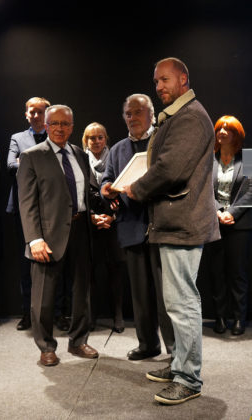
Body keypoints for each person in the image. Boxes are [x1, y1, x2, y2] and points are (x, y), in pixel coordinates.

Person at [122, 58, 220, 405]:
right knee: (177, 301)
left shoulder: (190, 116)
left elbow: (170, 170)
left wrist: (135, 189)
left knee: (183, 303)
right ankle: (180, 363)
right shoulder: (180, 116)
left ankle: (189, 378)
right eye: (156, 81)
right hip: (175, 221)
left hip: (183, 222)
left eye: (164, 80)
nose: (159, 86)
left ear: (183, 79)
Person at [17, 104, 107, 366]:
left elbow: (85, 194)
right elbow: (27, 202)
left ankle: (78, 342)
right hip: (47, 235)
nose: (59, 128)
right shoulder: (32, 156)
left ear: (72, 127)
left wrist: (95, 213)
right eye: (54, 123)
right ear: (46, 125)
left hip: (81, 230)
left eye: (64, 124)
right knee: (43, 297)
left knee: (82, 292)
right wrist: (34, 239)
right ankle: (46, 347)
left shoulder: (80, 154)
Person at [101, 94, 174, 360]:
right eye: (128, 114)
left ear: (151, 115)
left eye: (138, 112)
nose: (133, 118)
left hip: (162, 225)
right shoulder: (118, 149)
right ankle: (148, 344)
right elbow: (107, 179)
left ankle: (174, 349)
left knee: (167, 296)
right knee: (140, 294)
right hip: (130, 227)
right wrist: (106, 189)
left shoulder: (164, 141)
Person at [7, 97, 70, 332]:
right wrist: (32, 162)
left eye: (40, 111)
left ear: (48, 114)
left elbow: (63, 168)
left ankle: (58, 313)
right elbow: (10, 165)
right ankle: (27, 313)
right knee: (27, 264)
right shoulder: (18, 138)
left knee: (58, 260)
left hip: (55, 209)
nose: (35, 115)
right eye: (31, 112)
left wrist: (25, 160)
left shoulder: (56, 137)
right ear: (26, 114)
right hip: (25, 208)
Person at [204, 116, 252, 336]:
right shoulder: (208, 159)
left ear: (237, 134)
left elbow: (251, 191)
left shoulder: (249, 158)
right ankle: (221, 318)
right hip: (214, 222)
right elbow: (203, 189)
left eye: (227, 128)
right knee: (216, 273)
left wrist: (231, 213)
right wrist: (217, 212)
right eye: (219, 128)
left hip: (239, 224)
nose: (222, 131)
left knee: (238, 273)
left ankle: (239, 318)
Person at [82, 122, 125, 333]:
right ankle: (91, 316)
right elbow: (76, 193)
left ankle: (118, 315)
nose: (96, 141)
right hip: (90, 224)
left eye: (100, 137)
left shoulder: (116, 158)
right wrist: (91, 216)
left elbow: (125, 187)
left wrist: (112, 216)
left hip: (114, 222)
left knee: (115, 268)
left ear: (106, 139)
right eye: (92, 138)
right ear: (86, 141)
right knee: (90, 271)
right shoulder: (80, 160)